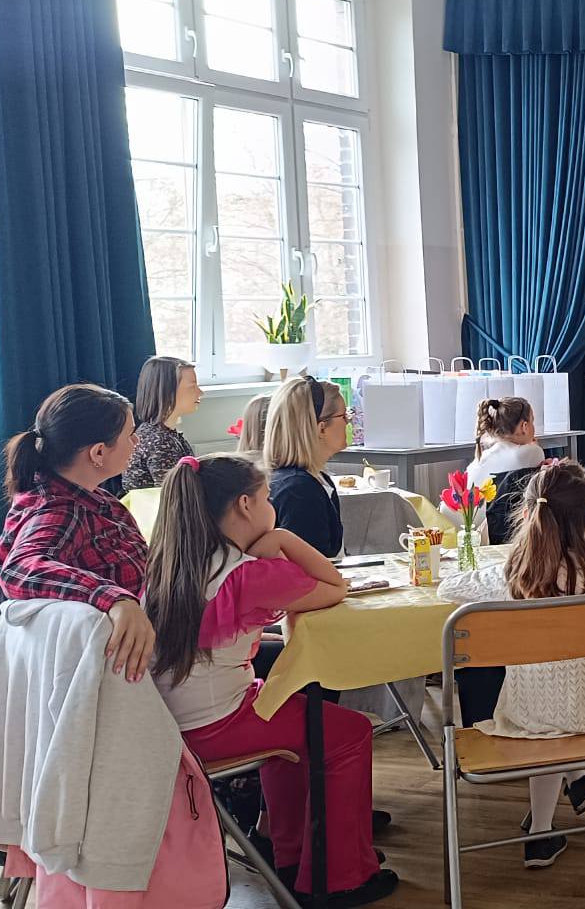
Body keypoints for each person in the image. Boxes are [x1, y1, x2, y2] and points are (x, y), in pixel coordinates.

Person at [143, 454, 396, 905]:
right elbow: (334, 586)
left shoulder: (173, 564)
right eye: (266, 498)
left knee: (288, 710)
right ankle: (339, 876)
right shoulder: (248, 574)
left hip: (170, 725)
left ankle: (294, 853)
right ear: (245, 505)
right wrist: (283, 538)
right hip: (214, 725)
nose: (271, 506)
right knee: (349, 733)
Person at [437, 461, 585, 869]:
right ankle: (573, 783)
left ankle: (541, 830)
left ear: (527, 514)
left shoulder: (514, 575)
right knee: (565, 711)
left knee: (549, 717)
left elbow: (449, 587)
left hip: (529, 718)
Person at [0, 384, 154, 679]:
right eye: (130, 434)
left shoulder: (95, 499)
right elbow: (19, 569)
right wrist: (114, 598)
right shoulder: (59, 510)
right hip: (103, 670)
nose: (137, 441)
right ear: (98, 452)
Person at [263, 376, 350, 557]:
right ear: (321, 428)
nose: (348, 422)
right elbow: (311, 569)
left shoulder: (316, 479)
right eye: (344, 416)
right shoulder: (299, 491)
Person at [122, 355, 205, 491]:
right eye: (192, 387)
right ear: (168, 392)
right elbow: (174, 495)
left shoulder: (159, 433)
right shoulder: (160, 442)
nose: (200, 392)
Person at [466, 396, 546, 488]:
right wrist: (534, 446)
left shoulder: (480, 458)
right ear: (525, 426)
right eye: (532, 421)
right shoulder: (533, 452)